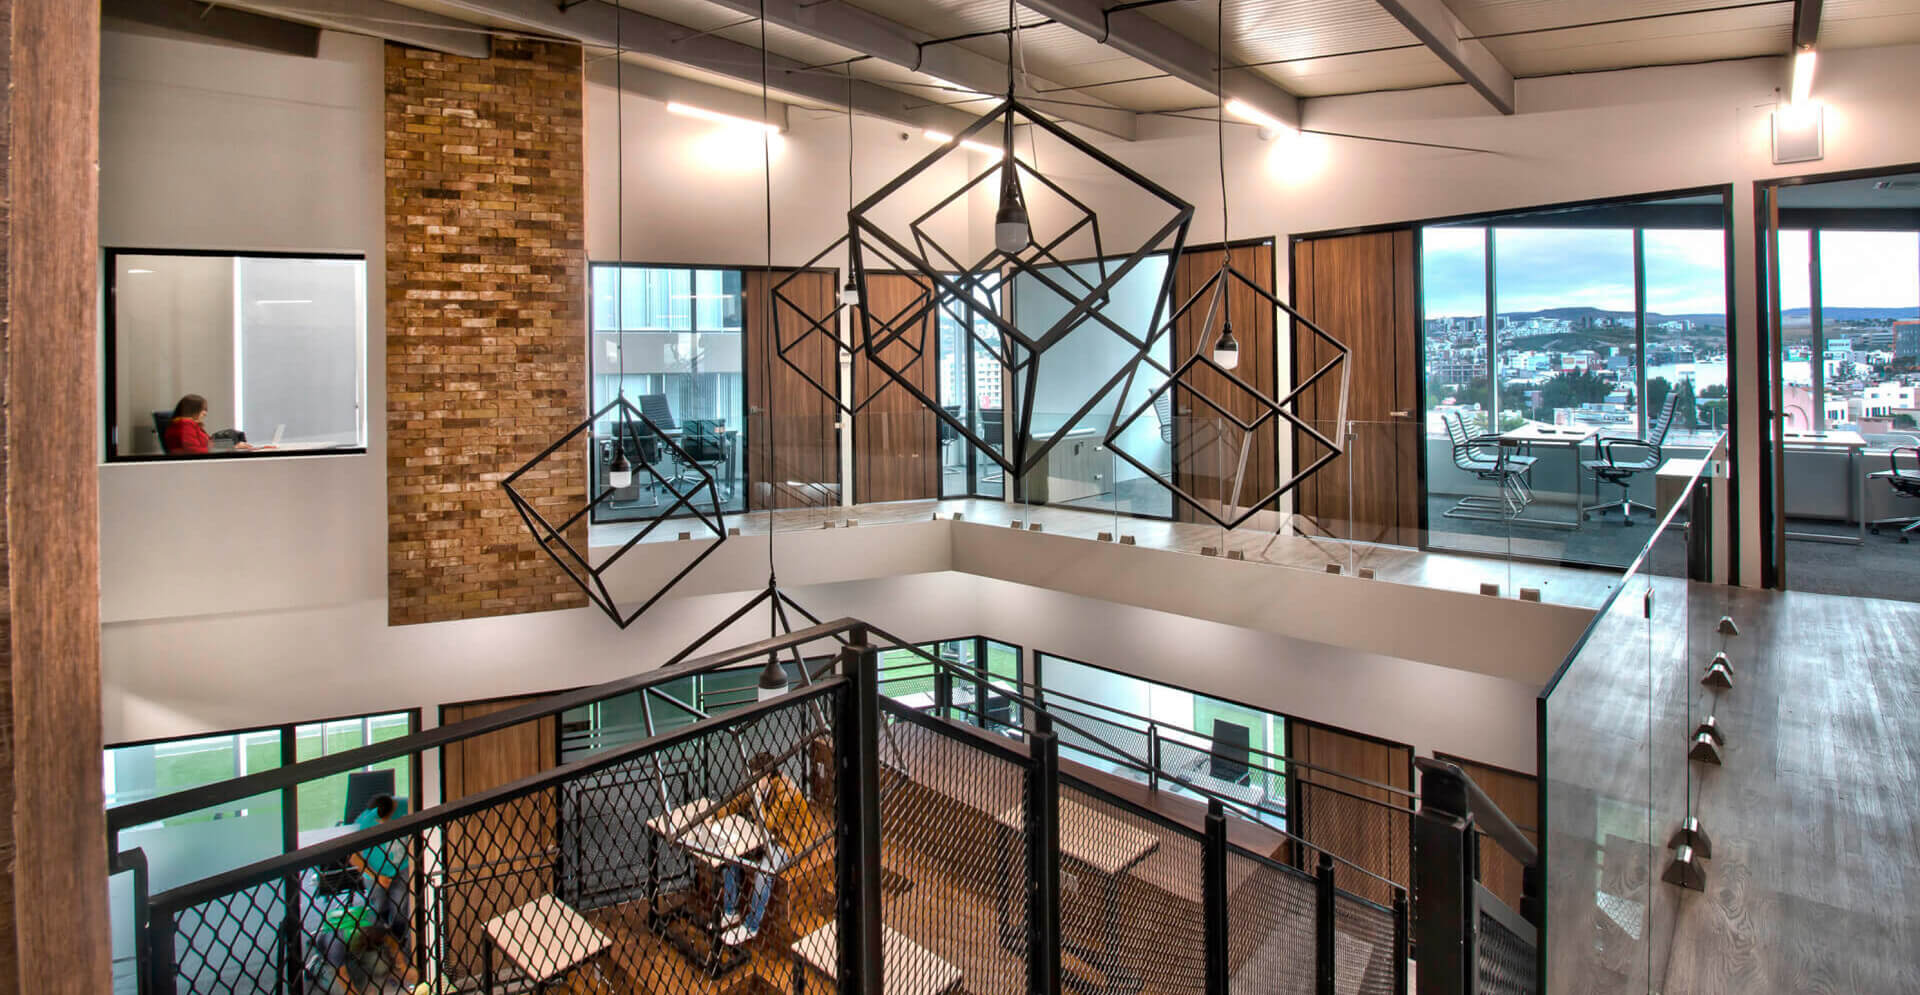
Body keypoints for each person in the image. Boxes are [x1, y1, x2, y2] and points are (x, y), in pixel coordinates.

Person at [319, 794, 417, 995]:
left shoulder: (405, 806)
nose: (382, 823)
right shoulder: (365, 822)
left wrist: (403, 968)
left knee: (400, 911)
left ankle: (398, 958)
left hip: (401, 868)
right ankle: (383, 959)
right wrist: (376, 876)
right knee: (379, 913)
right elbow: (354, 857)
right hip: (375, 873)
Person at [717, 752, 812, 945]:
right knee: (730, 855)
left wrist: (757, 801)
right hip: (767, 837)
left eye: (755, 777)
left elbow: (768, 823)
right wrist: (714, 817)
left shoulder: (787, 793)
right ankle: (731, 911)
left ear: (767, 775)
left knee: (763, 873)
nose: (752, 781)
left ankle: (751, 926)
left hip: (788, 842)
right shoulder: (760, 785)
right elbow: (736, 802)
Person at [162, 393, 272, 454]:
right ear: (192, 410)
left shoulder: (189, 425)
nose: (205, 413)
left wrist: (233, 446)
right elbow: (194, 451)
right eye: (202, 409)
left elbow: (207, 445)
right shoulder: (185, 426)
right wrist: (229, 449)